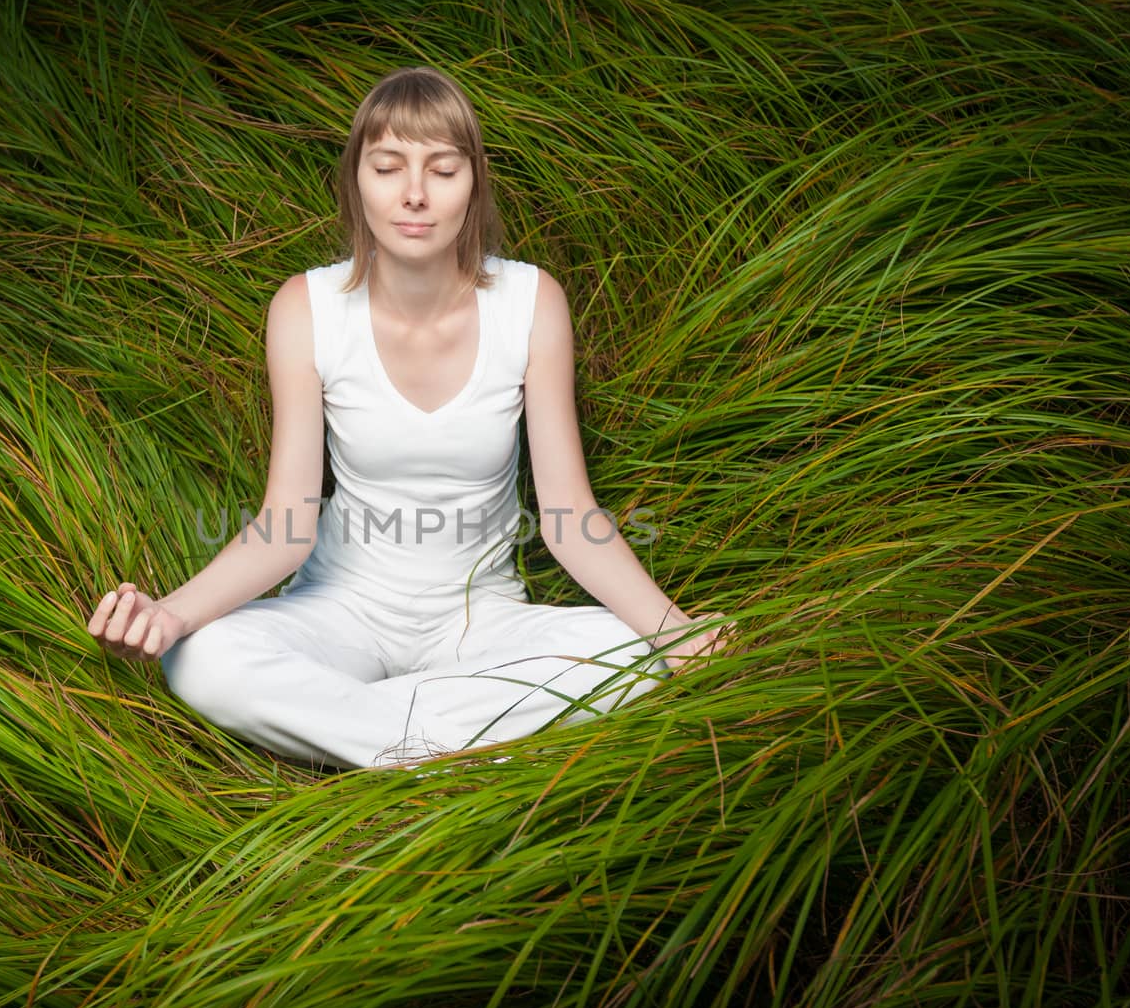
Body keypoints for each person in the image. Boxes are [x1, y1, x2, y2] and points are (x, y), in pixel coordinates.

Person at [87, 66, 723, 770]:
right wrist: (170, 614)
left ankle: (377, 739)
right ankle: (445, 737)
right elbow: (284, 530)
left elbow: (570, 516)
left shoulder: (531, 302)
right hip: (342, 610)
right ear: (357, 182)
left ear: (474, 182)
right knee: (201, 657)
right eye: (388, 167)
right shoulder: (306, 308)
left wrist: (676, 631)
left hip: (482, 619)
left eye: (442, 169)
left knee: (629, 652)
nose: (414, 193)